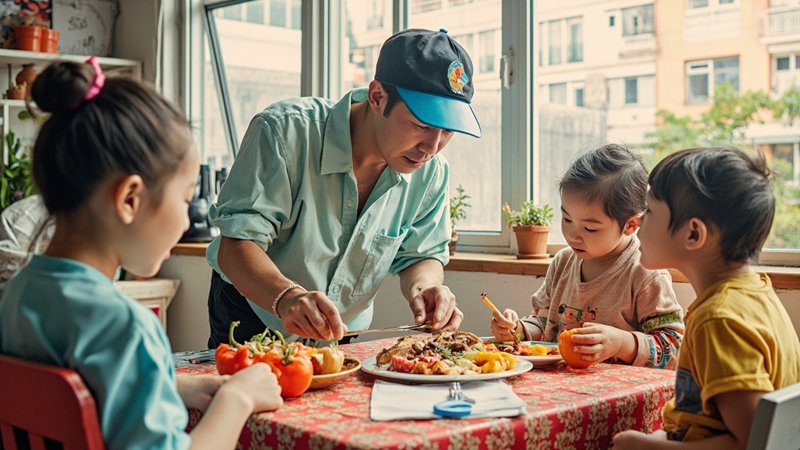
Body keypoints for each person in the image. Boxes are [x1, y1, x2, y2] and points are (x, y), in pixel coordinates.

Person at [0, 58, 283, 450]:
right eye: (185, 199)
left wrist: (169, 384)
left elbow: (77, 395)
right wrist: (238, 399)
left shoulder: (19, 294)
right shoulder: (122, 327)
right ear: (130, 199)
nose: (186, 221)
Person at [206, 28, 482, 346]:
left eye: (447, 131)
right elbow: (236, 246)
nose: (431, 148)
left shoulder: (431, 173)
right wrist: (286, 297)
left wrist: (425, 287)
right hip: (253, 312)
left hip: (341, 330)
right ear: (377, 97)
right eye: (421, 125)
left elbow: (421, 254)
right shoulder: (284, 132)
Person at [613, 148, 800, 449]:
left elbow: (751, 443)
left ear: (693, 234)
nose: (638, 221)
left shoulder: (719, 320)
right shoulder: (757, 295)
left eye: (649, 211)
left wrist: (648, 447)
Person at [491, 144, 684, 368]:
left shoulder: (646, 273)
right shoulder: (562, 262)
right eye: (567, 219)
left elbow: (674, 348)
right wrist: (517, 330)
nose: (572, 235)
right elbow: (545, 326)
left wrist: (622, 343)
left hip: (619, 388)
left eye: (590, 228)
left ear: (631, 225)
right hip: (562, 383)